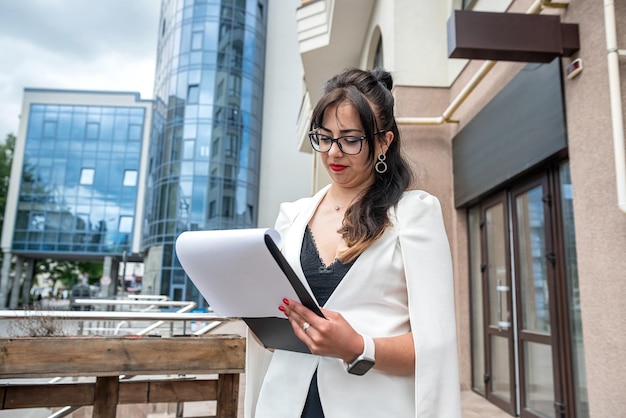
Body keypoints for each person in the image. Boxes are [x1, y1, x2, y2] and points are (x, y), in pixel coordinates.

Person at [245, 68, 461, 417]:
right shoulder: (293, 215)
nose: (333, 152)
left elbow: (436, 349)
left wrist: (358, 347)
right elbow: (279, 327)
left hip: (372, 405)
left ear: (384, 142)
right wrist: (260, 322)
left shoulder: (414, 214)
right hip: (286, 402)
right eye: (325, 137)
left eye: (350, 139)